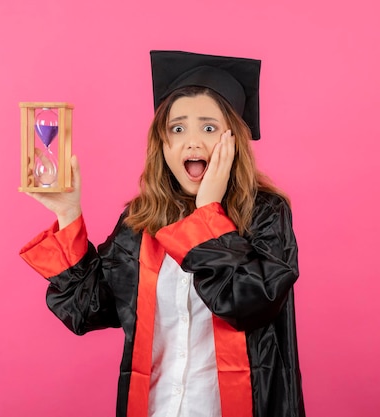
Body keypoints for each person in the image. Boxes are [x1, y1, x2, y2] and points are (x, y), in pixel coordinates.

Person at [20, 50, 306, 417]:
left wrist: (208, 213)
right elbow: (87, 309)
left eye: (208, 127)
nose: (191, 141)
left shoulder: (266, 213)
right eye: (177, 128)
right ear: (163, 144)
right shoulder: (141, 221)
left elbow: (248, 303)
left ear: (234, 140)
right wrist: (67, 212)